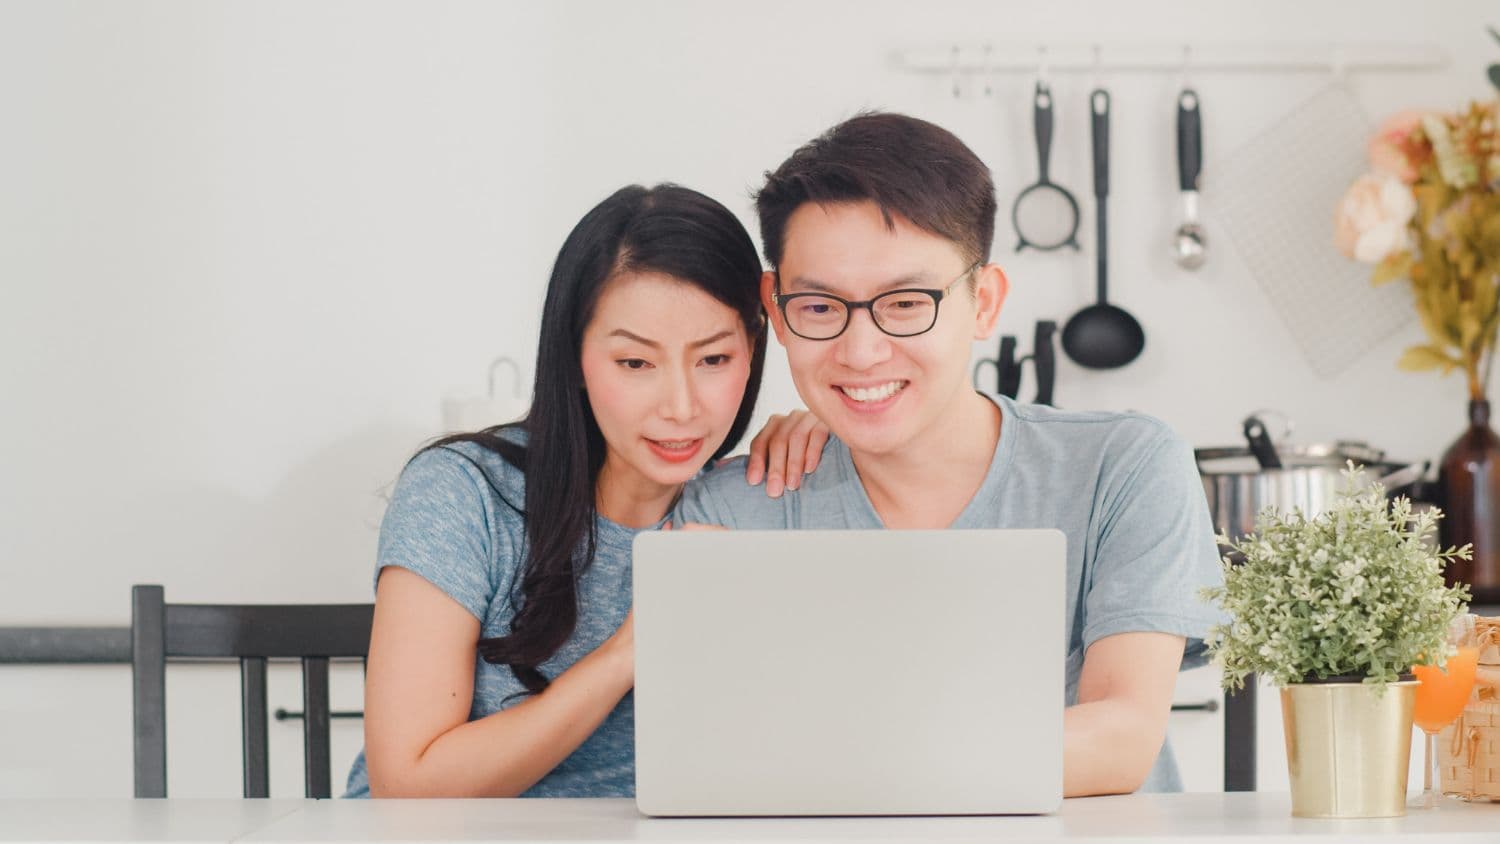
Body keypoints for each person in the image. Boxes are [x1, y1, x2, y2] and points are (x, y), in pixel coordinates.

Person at [674, 113, 1225, 796]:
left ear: (984, 302)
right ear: (777, 310)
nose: (861, 350)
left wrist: (829, 757)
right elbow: (708, 766)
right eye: (819, 307)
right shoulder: (728, 514)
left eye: (906, 303)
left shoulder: (1123, 467)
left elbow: (1118, 739)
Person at [344, 184, 822, 798]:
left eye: (713, 360)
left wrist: (842, 447)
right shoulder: (465, 494)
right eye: (635, 364)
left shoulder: (752, 501)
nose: (681, 407)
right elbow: (406, 786)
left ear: (753, 350)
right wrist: (627, 653)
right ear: (573, 356)